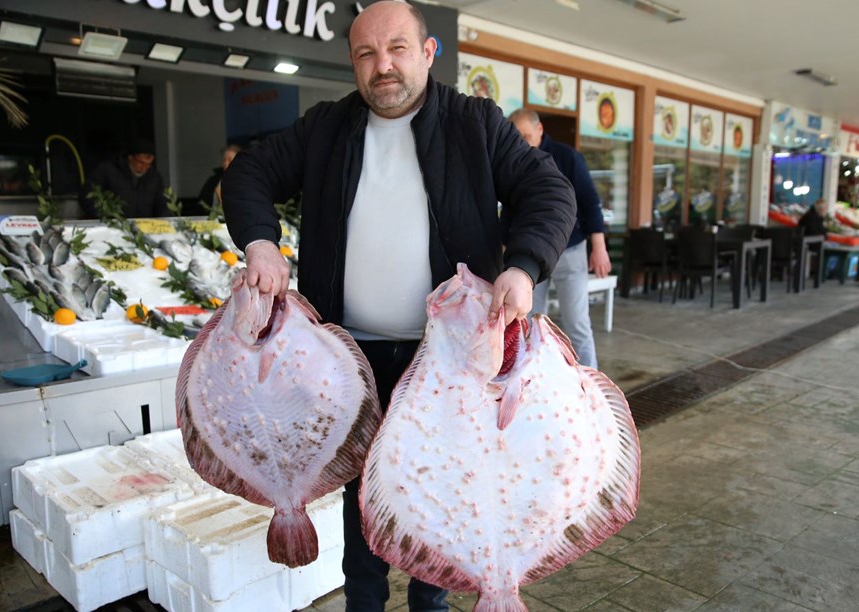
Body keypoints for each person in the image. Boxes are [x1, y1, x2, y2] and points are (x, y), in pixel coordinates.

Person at [221, 2, 576, 611]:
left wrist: (522, 266)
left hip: (444, 363)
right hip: (348, 358)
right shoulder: (327, 127)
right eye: (366, 53)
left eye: (397, 49)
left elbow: (548, 189)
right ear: (353, 62)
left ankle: (429, 604)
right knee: (364, 506)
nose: (382, 66)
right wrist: (260, 242)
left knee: (434, 493)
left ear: (428, 52)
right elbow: (249, 173)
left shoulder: (475, 122)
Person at [508, 107, 610, 369]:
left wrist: (599, 247)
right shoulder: (513, 159)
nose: (522, 141)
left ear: (540, 129)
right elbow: (508, 209)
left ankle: (590, 385)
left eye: (526, 135)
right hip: (529, 252)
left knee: (577, 322)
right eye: (516, 136)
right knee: (527, 321)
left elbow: (590, 202)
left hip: (571, 249)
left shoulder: (568, 157)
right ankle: (530, 382)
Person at [81, 138, 167, 218]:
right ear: (130, 157)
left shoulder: (155, 178)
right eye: (141, 162)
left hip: (143, 228)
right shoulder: (107, 171)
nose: (144, 167)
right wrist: (105, 218)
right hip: (112, 227)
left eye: (148, 164)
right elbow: (88, 196)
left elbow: (162, 204)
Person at [194, 144, 242, 216]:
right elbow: (201, 204)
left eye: (230, 160)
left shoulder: (245, 183)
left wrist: (220, 197)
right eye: (224, 160)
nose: (226, 163)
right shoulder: (213, 181)